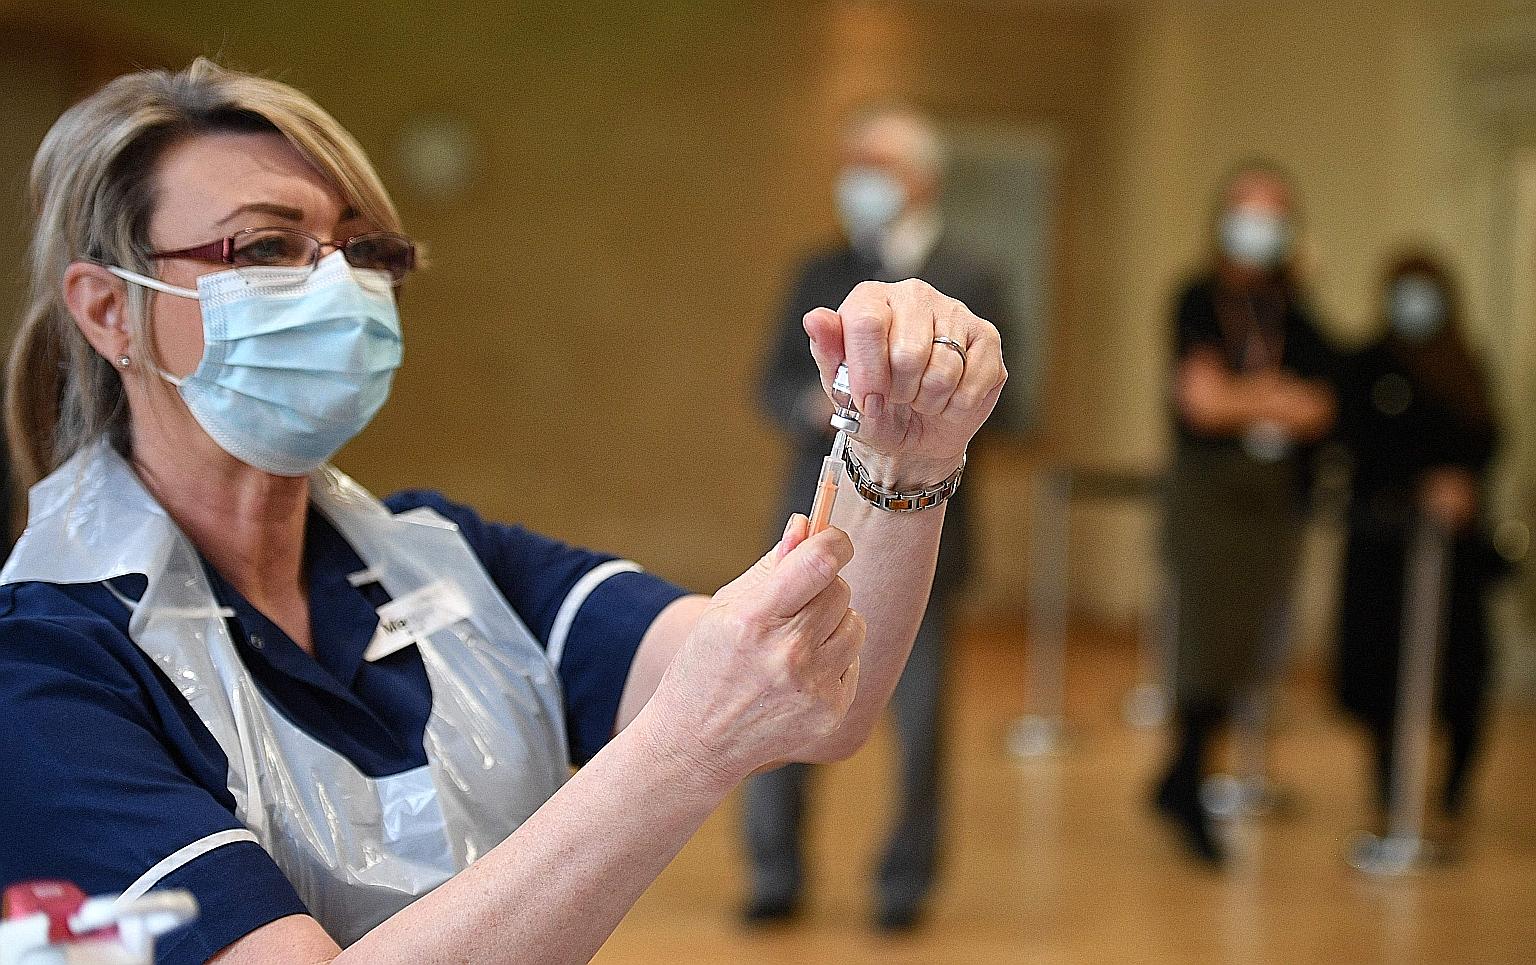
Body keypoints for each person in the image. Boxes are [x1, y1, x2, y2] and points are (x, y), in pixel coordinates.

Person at [0, 60, 1007, 965]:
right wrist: (680, 751)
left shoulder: (441, 562)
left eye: (360, 249)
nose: (334, 286)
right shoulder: (46, 665)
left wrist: (904, 460)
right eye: (268, 244)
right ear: (104, 307)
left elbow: (822, 690)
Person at [745, 104, 1010, 931]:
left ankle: (905, 884)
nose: (857, 179)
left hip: (931, 525)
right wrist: (832, 407)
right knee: (777, 693)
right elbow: (772, 382)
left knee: (920, 724)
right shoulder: (817, 269)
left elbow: (1015, 398)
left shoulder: (977, 274)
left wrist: (928, 414)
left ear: (924, 176)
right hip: (816, 513)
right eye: (850, 160)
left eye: (877, 163)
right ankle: (774, 871)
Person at [1155, 161, 1337, 865]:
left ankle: (1183, 773)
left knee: (1251, 643)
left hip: (1276, 500)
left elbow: (1321, 406)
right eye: (1246, 209)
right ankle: (1187, 776)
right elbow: (1202, 401)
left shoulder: (1299, 310)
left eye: (1273, 211)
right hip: (1209, 492)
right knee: (1204, 636)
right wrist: (1272, 399)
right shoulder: (1197, 300)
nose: (1259, 226)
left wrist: (1248, 397)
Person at [1333, 252, 1501, 842]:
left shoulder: (1467, 368)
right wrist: (1417, 486)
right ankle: (1389, 787)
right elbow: (1358, 443)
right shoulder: (1367, 365)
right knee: (1382, 669)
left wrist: (1459, 487)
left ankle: (1453, 789)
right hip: (1385, 545)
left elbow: (1485, 442)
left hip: (1453, 552)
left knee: (1463, 671)